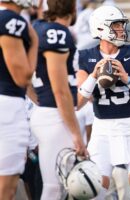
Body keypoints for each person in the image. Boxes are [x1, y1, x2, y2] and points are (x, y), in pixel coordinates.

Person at [76, 5, 130, 200]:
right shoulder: (86, 57)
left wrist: (126, 78)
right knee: (96, 191)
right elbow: (78, 102)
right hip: (102, 129)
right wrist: (93, 75)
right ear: (101, 28)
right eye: (116, 26)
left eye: (122, 25)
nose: (122, 30)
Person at [30, 0, 88, 199]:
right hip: (56, 114)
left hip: (47, 112)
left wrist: (37, 99)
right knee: (56, 187)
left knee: (56, 185)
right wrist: (76, 135)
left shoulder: (38, 27)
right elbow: (61, 90)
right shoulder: (58, 33)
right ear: (72, 8)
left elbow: (23, 76)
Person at [0, 0, 38, 199]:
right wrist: (34, 44)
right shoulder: (10, 20)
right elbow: (22, 77)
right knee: (6, 188)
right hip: (8, 105)